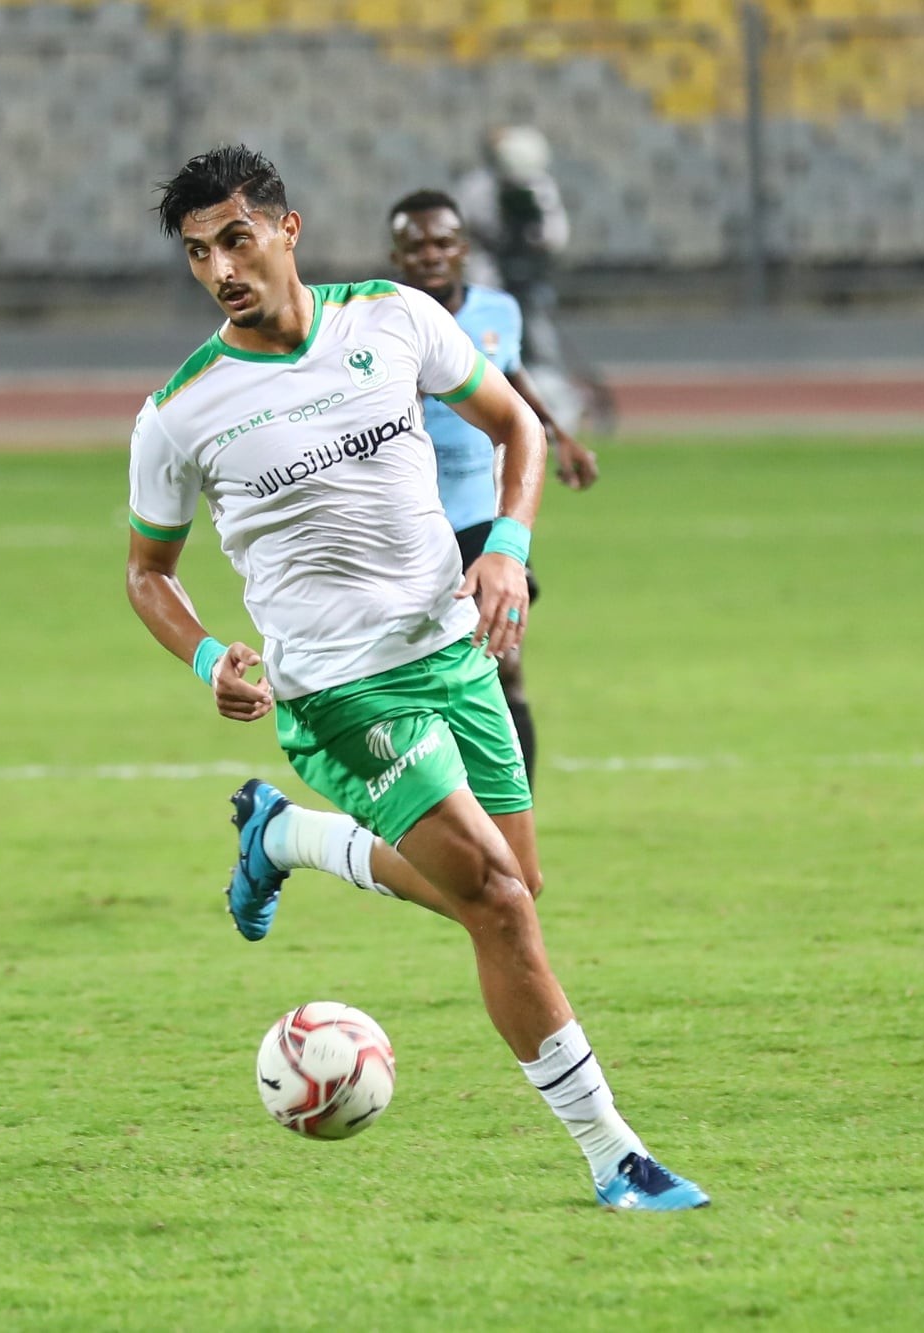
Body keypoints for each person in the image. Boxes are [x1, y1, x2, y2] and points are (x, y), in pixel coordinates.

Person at [125, 145, 706, 1212]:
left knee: (514, 885)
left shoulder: (392, 319)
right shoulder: (179, 411)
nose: (221, 269)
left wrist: (508, 549)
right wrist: (208, 654)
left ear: (287, 229)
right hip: (341, 692)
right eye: (199, 254)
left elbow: (516, 425)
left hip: (453, 651)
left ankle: (285, 838)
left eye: (236, 240)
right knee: (498, 904)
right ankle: (614, 1156)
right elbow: (146, 571)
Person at [387, 187, 599, 790]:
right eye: (416, 245)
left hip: (483, 516)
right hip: (411, 523)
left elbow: (509, 379)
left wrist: (559, 435)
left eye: (443, 242)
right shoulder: (382, 322)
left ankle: (514, 813)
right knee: (412, 675)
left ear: (463, 249)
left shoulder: (498, 311)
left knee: (505, 665)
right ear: (396, 256)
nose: (431, 254)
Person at [454, 126, 615, 432]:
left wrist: (531, 242)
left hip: (531, 276)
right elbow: (460, 230)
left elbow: (555, 235)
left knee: (541, 344)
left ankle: (557, 410)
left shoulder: (541, 186)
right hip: (487, 277)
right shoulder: (476, 187)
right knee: (487, 342)